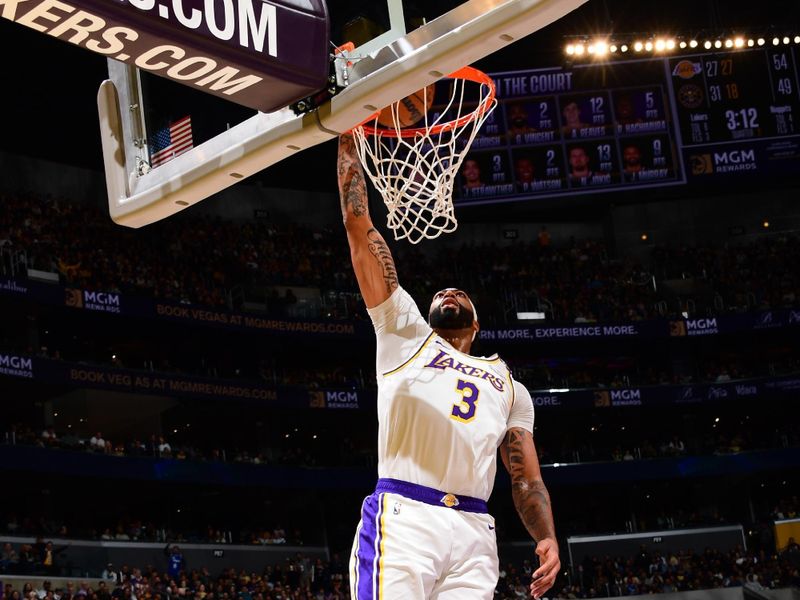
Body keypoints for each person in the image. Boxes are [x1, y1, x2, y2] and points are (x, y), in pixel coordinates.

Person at [338, 133, 559, 600]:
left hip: (475, 531)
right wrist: (346, 138)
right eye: (440, 292)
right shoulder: (405, 333)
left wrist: (547, 536)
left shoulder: (509, 385)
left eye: (460, 294)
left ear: (475, 323)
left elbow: (525, 477)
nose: (448, 293)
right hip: (406, 516)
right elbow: (360, 228)